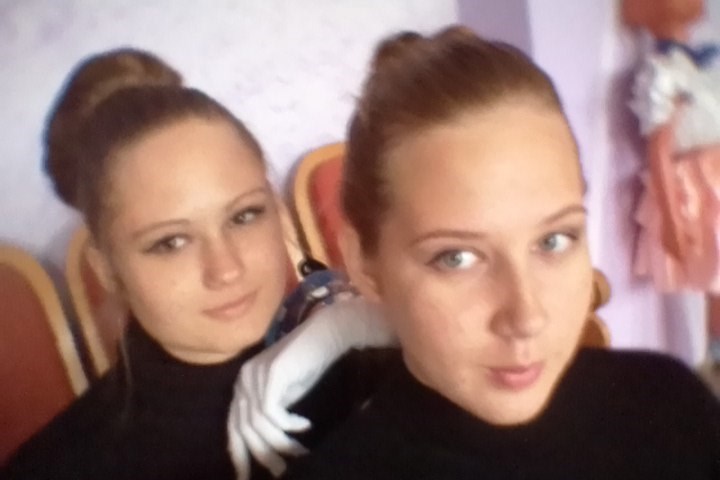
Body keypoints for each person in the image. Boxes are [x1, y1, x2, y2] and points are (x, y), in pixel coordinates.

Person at [267, 27, 719, 478]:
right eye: (456, 258)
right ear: (366, 266)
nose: (526, 317)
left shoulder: (671, 402)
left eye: (554, 240)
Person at [1, 48, 391, 480]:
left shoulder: (366, 356)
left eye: (244, 216)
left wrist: (360, 327)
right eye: (171, 242)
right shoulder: (62, 468)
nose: (226, 269)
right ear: (107, 268)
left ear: (277, 212)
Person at [624, 0, 720, 368]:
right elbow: (659, 151)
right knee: (712, 276)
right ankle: (713, 356)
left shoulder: (703, 62)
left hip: (714, 174)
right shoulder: (662, 72)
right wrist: (671, 218)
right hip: (696, 185)